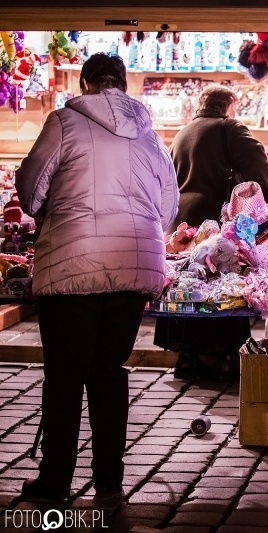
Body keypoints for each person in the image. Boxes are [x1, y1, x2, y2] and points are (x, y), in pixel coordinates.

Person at [14, 53, 178, 504]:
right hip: (134, 263)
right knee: (109, 371)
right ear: (124, 85)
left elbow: (30, 189)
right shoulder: (151, 137)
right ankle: (109, 476)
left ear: (85, 83)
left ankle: (54, 483)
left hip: (72, 262)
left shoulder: (64, 121)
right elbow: (167, 209)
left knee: (65, 375)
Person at [154, 85, 268, 380]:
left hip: (183, 225)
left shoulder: (184, 133)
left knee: (191, 287)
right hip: (218, 224)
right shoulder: (230, 129)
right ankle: (226, 359)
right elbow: (257, 164)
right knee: (224, 288)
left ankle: (189, 358)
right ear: (229, 106)